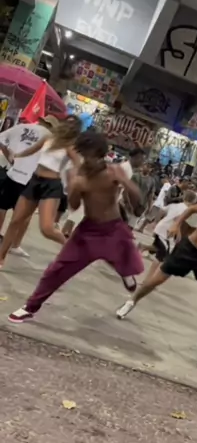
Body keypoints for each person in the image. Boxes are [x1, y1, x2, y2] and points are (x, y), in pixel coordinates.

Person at [8, 131, 144, 324]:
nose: (88, 160)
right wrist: (74, 187)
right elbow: (74, 205)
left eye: (93, 156)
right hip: (88, 232)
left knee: (124, 256)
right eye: (84, 155)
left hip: (113, 229)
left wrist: (128, 188)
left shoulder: (114, 171)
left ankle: (125, 272)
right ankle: (29, 307)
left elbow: (135, 193)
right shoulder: (76, 175)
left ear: (101, 155)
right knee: (56, 270)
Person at [116, 191, 197, 345]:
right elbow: (191, 209)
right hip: (188, 249)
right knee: (157, 280)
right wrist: (176, 224)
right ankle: (131, 302)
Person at [0, 115, 82, 267]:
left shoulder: (70, 147)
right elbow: (32, 150)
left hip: (51, 185)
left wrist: (75, 181)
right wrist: (17, 155)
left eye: (72, 125)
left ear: (75, 130)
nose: (68, 127)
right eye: (67, 123)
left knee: (47, 229)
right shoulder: (48, 138)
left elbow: (78, 165)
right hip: (34, 180)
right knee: (16, 220)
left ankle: (72, 248)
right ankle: (1, 258)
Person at [0, 115, 58, 256]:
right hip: (31, 179)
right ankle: (15, 244)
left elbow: (1, 139)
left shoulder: (21, 127)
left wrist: (10, 157)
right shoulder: (50, 137)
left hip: (13, 173)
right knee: (24, 216)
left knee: (2, 207)